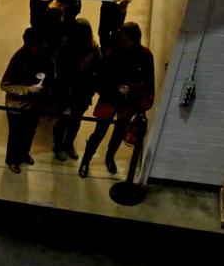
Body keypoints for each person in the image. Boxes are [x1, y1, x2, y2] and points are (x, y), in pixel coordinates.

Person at [78, 22, 154, 178]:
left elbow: (148, 81)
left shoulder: (145, 56)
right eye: (122, 40)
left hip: (129, 103)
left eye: (127, 40)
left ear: (135, 40)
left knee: (119, 133)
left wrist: (141, 103)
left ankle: (109, 157)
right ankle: (86, 159)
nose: (123, 43)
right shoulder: (113, 54)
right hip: (110, 100)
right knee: (99, 132)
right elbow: (100, 79)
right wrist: (116, 87)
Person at [0, 28, 53, 173]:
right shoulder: (18, 59)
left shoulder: (43, 56)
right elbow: (5, 85)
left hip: (35, 104)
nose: (39, 48)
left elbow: (49, 73)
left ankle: (23, 154)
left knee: (30, 132)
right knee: (15, 134)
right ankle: (12, 159)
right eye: (36, 45)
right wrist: (27, 89)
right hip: (17, 106)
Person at [52, 18, 100, 162]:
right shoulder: (65, 49)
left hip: (82, 93)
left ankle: (68, 144)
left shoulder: (93, 49)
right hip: (66, 92)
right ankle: (58, 146)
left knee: (75, 121)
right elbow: (60, 72)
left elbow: (98, 68)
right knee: (62, 121)